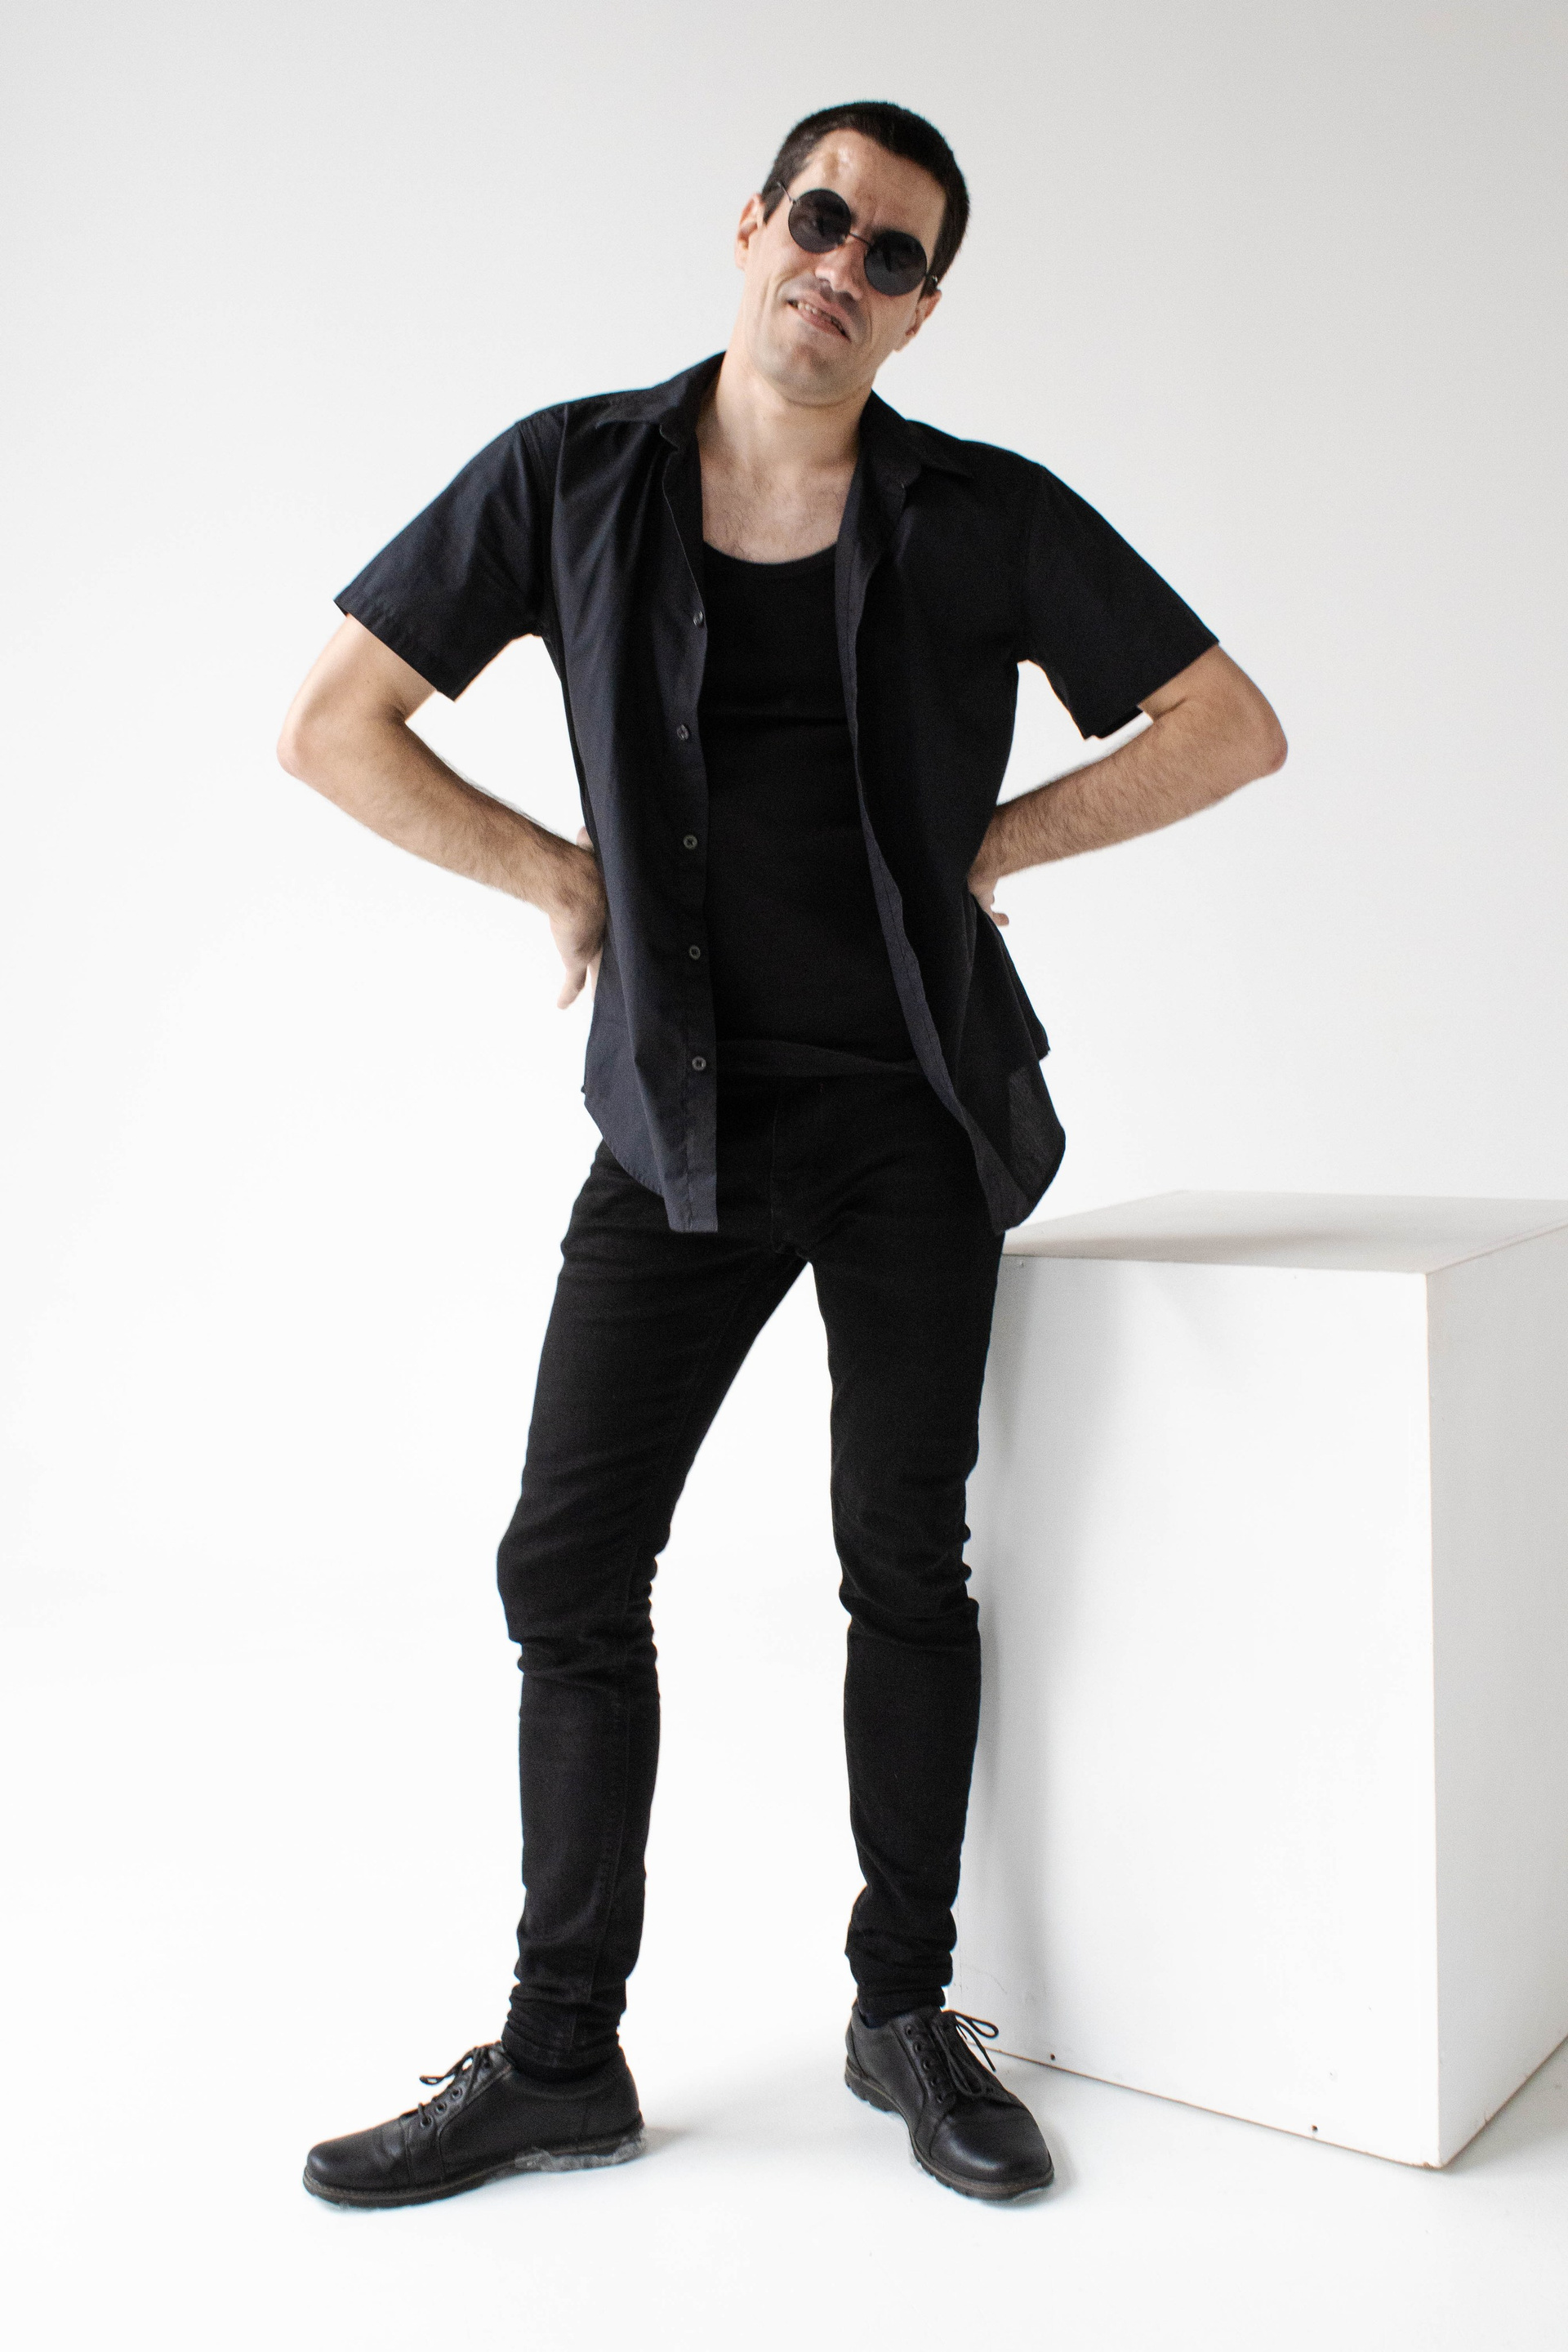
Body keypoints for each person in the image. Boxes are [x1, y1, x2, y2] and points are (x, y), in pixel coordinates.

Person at [278, 99, 1285, 2209]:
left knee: (902, 1564)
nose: (843, 264)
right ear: (749, 226)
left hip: (913, 1121)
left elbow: (1227, 722)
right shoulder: (567, 478)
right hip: (682, 1126)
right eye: (821, 217)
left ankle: (902, 2011)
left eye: (892, 253)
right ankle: (562, 2056)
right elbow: (335, 726)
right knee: (568, 1564)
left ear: (921, 310)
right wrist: (558, 876)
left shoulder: (982, 515)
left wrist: (1000, 840)